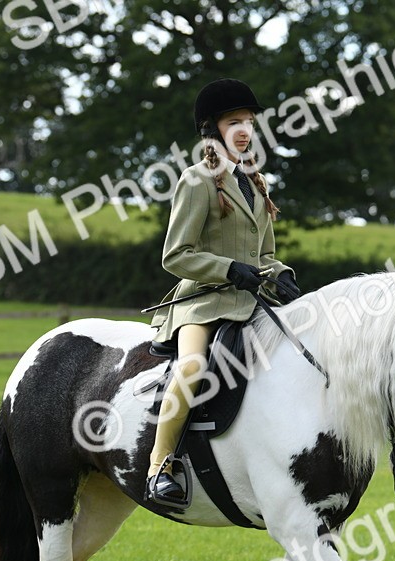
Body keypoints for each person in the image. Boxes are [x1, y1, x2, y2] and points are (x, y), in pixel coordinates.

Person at [144, 78, 300, 506]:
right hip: (203, 303)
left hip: (250, 304)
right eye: (235, 122)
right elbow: (176, 255)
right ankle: (160, 466)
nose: (246, 130)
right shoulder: (197, 180)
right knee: (192, 368)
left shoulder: (257, 181)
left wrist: (279, 272)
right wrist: (228, 269)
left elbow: (263, 253)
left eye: (250, 122)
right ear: (214, 129)